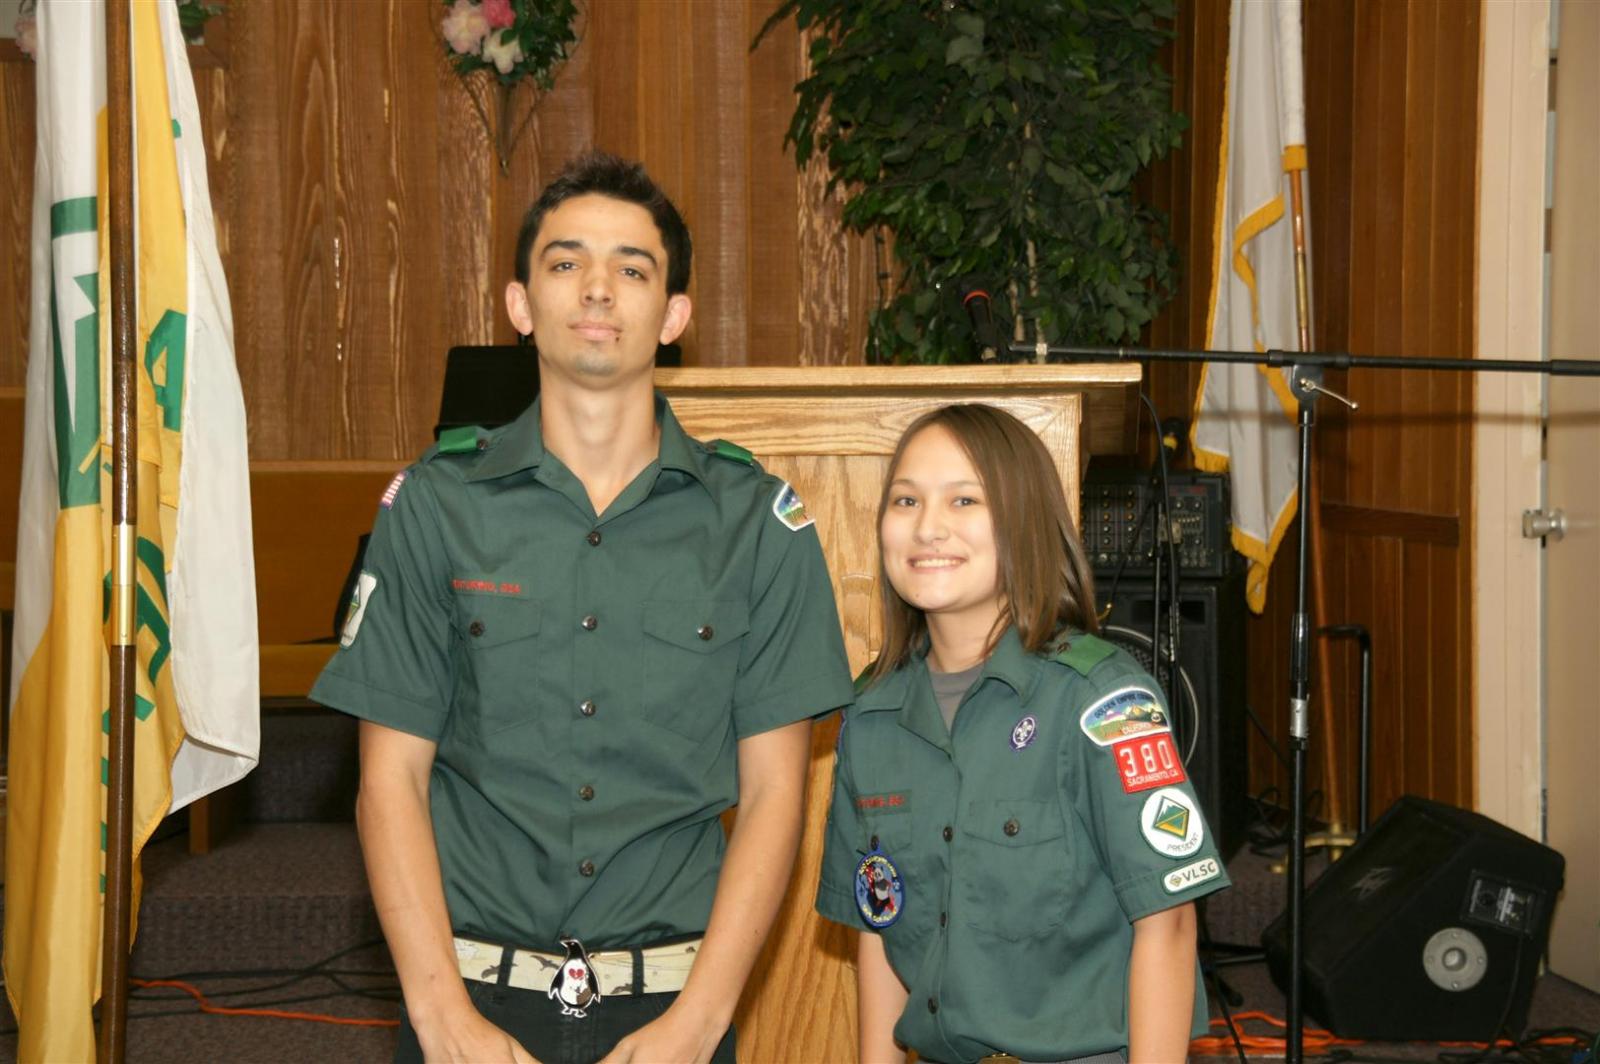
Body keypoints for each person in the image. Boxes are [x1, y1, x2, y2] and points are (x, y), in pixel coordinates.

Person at [312, 152, 855, 1064]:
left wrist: (699, 1023)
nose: (598, 288)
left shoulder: (757, 525)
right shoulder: (437, 505)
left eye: (632, 269)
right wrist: (443, 1020)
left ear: (673, 316)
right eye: (566, 262)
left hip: (673, 1013)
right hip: (469, 1007)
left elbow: (774, 796)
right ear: (520, 304)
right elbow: (390, 781)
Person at [816, 404, 1231, 1064]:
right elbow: (880, 923)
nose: (928, 526)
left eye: (964, 500)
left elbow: (1169, 923)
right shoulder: (871, 716)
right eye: (906, 500)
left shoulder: (1100, 701)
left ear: (1024, 520)